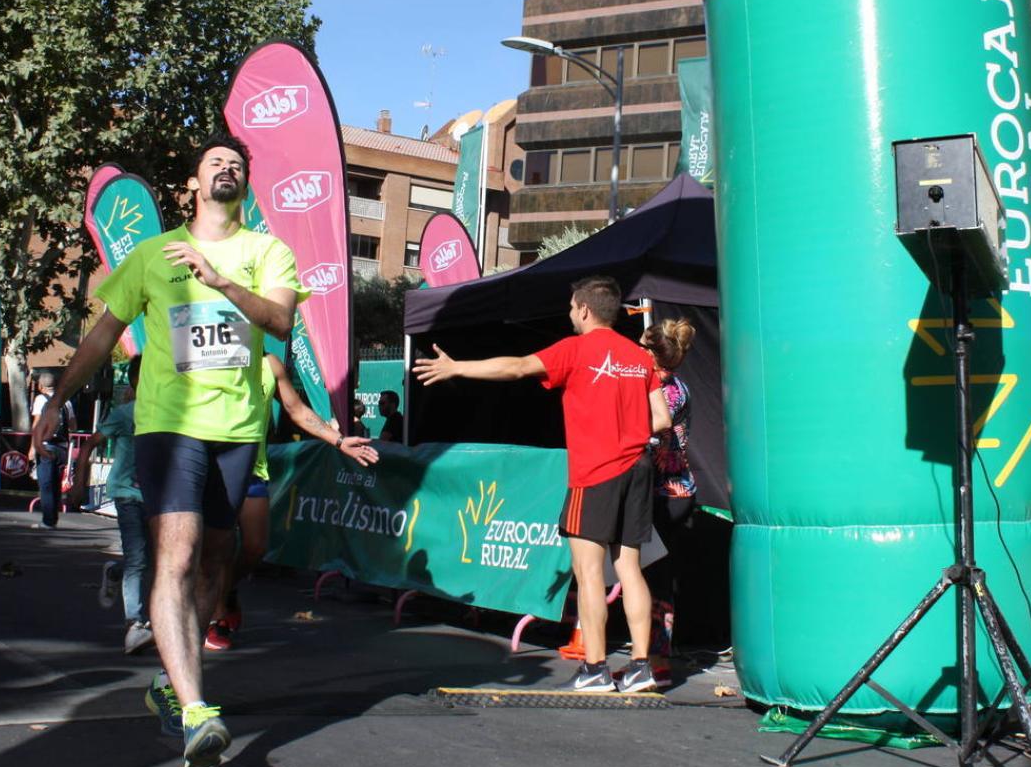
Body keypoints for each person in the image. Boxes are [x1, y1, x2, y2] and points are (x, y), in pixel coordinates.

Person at [31, 132, 303, 767]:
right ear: (194, 183)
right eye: (216, 163)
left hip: (236, 429)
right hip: (167, 424)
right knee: (175, 556)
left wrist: (220, 281)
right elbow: (103, 335)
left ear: (247, 183)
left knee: (216, 559)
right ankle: (196, 709)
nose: (227, 170)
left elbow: (282, 321)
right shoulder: (152, 255)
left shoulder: (268, 251)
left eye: (237, 164)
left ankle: (169, 686)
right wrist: (56, 400)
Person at [414, 275, 670, 693]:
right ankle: (641, 666)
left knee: (589, 574)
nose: (570, 314)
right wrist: (626, 424)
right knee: (629, 568)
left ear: (585, 310)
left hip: (598, 471)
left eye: (572, 307)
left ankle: (596, 669)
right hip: (637, 468)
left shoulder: (576, 348)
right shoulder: (639, 358)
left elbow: (516, 367)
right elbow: (661, 418)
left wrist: (455, 367)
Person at [205, 352, 378, 652]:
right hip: (212, 465)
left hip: (252, 467)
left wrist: (338, 441)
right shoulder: (212, 355)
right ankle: (215, 616)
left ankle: (226, 589)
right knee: (219, 547)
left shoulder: (270, 364)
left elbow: (296, 409)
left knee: (255, 546)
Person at [78, 357, 154, 655]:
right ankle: (134, 624)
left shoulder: (171, 413)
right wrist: (79, 484)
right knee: (138, 559)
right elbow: (89, 444)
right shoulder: (125, 414)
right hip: (127, 494)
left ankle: (114, 572)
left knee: (150, 560)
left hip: (159, 498)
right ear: (136, 381)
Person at [640, 318, 697, 676]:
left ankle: (656, 658)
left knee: (654, 575)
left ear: (652, 353)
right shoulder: (678, 386)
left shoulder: (666, 391)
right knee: (653, 573)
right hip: (673, 490)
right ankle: (653, 655)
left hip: (666, 492)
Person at [30, 372, 76, 529]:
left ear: (40, 386)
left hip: (46, 445)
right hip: (62, 448)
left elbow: (36, 425)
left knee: (46, 484)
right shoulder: (66, 402)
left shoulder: (40, 400)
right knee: (55, 484)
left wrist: (32, 447)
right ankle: (53, 518)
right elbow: (73, 426)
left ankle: (48, 521)